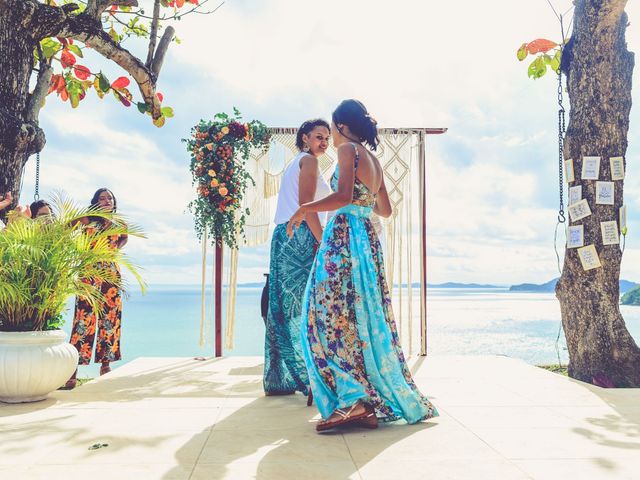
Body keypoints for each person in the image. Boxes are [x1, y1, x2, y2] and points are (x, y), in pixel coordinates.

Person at [288, 100, 438, 432]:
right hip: (365, 240)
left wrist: (304, 209)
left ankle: (353, 400)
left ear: (340, 125)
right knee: (360, 316)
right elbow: (384, 210)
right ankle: (362, 404)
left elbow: (341, 197)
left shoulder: (348, 151)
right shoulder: (375, 161)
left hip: (342, 237)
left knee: (325, 314)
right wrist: (362, 202)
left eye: (332, 128)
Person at [263, 119, 331, 398]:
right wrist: (322, 241)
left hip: (284, 235)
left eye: (327, 137)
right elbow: (308, 207)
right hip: (301, 236)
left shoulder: (297, 162)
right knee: (304, 307)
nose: (324, 142)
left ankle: (284, 378)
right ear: (304, 137)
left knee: (283, 307)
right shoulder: (309, 163)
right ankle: (309, 377)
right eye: (318, 136)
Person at [63, 188, 128, 389]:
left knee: (111, 320)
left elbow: (123, 239)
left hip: (111, 277)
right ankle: (72, 371)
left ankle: (105, 366)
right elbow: (65, 228)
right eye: (102, 198)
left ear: (114, 201)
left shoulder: (120, 223)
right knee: (83, 320)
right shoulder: (86, 220)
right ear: (95, 202)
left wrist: (111, 254)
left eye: (109, 197)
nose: (107, 200)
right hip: (88, 275)